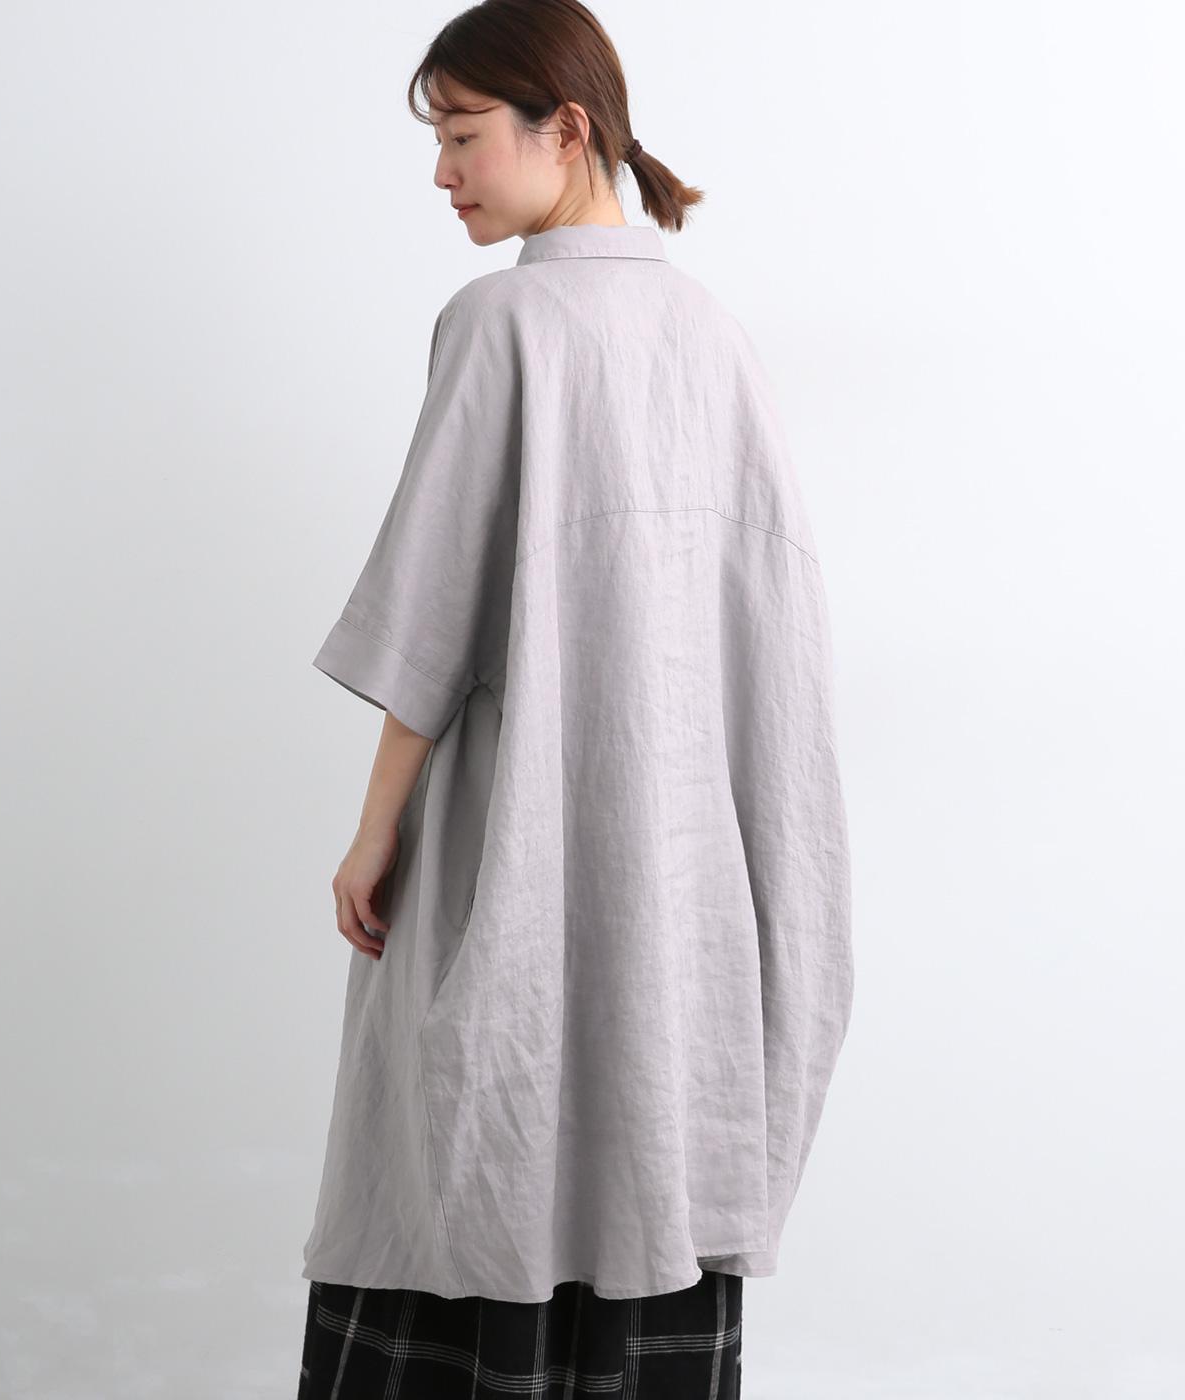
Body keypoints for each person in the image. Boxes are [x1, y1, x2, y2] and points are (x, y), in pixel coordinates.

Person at [296, 1, 854, 1395]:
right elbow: (774, 639)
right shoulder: (714, 336)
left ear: (569, 128)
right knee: (642, 1150)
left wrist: (374, 831)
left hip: (520, 832)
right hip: (684, 875)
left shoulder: (502, 324)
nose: (442, 173)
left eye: (462, 135)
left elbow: (430, 616)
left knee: (479, 1144)